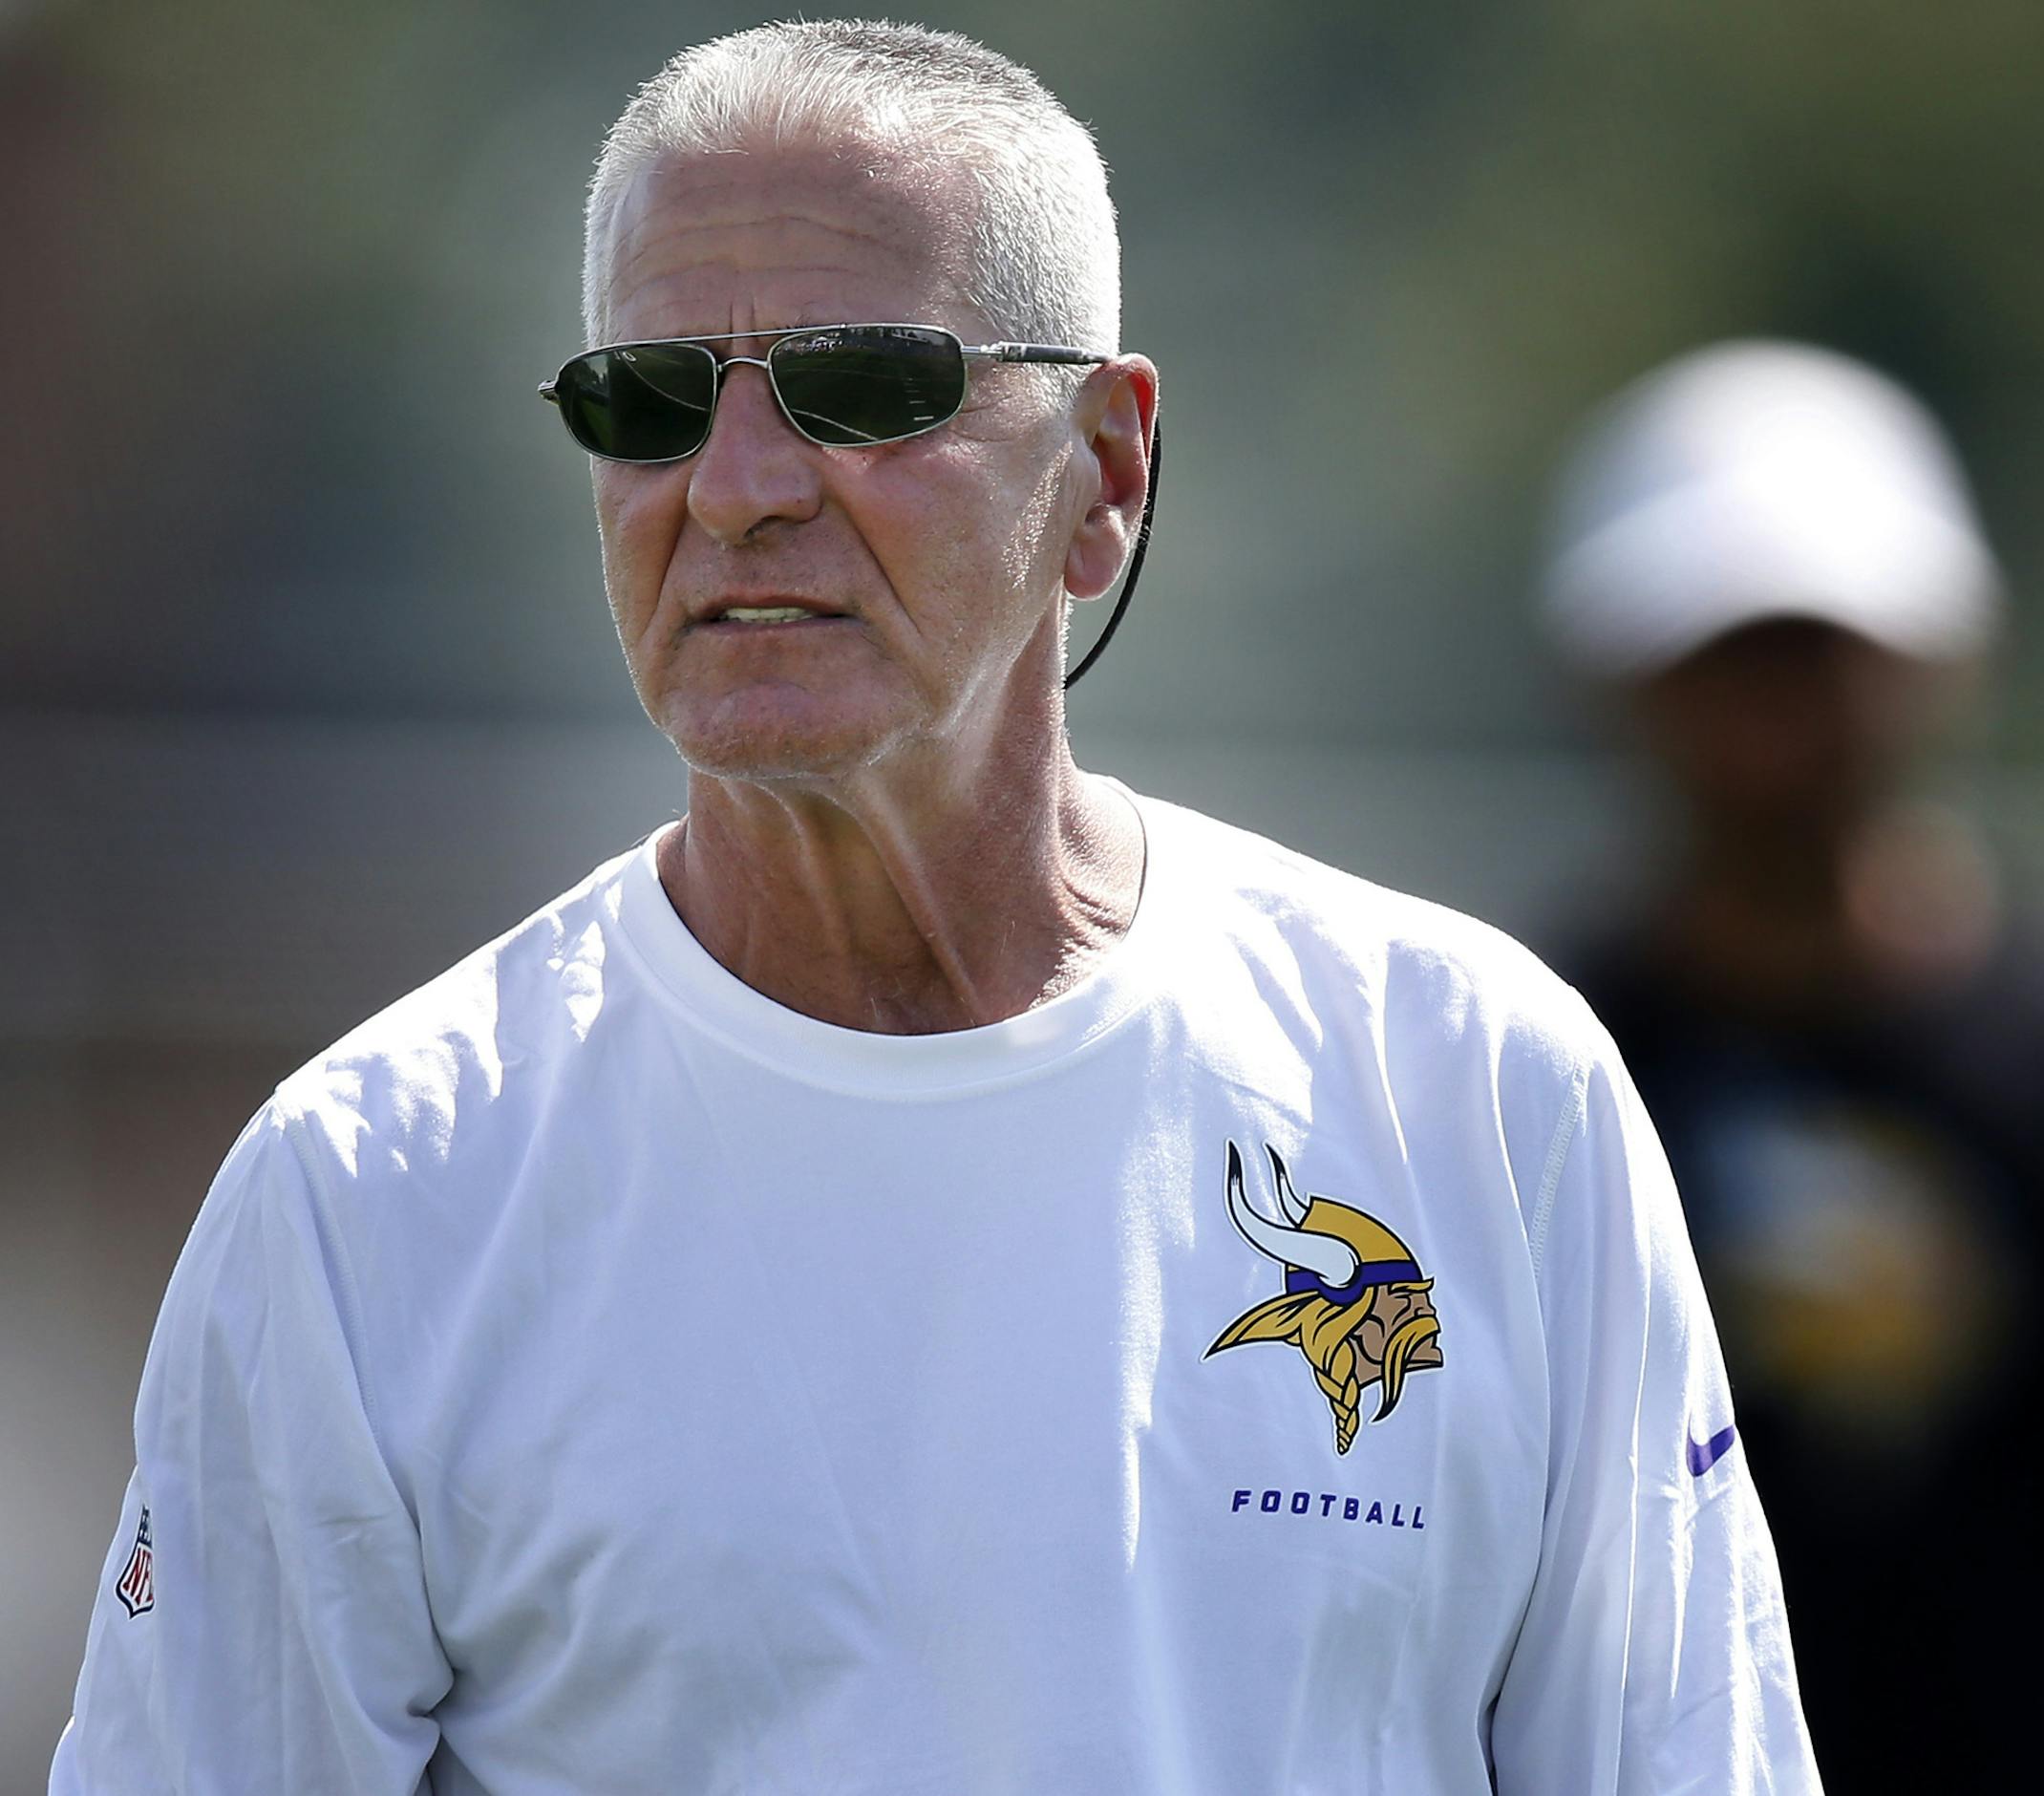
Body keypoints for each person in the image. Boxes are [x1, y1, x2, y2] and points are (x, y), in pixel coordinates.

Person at [53, 24, 1817, 1793]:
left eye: (865, 385)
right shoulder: (374, 1193)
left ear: (1105, 472)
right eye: (649, 399)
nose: (735, 489)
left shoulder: (1479, 1090)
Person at [1539, 339, 2044, 1791]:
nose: (1777, 705)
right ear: (1611, 675)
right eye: (1723, 650)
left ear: (1944, 659)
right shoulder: (1520, 1076)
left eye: (1820, 645)